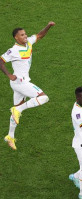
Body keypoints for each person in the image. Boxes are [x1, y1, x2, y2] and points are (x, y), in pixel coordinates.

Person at [0, 22, 55, 150]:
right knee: (43, 97)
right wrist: (8, 74)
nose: (25, 36)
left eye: (25, 34)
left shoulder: (28, 42)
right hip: (20, 82)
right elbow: (0, 61)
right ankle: (18, 110)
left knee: (16, 110)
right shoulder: (13, 51)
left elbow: (40, 35)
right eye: (22, 35)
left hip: (19, 83)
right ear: (16, 38)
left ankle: (10, 136)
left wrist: (48, 26)